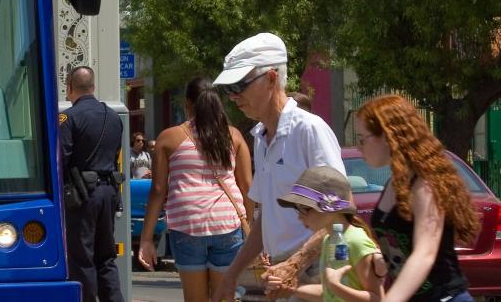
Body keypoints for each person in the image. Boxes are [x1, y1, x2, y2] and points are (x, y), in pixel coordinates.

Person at [210, 33, 346, 302]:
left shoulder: (309, 130)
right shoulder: (261, 137)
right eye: (229, 88)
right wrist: (232, 274)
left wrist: (294, 265)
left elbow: (340, 212)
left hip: (316, 272)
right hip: (283, 272)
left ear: (272, 78)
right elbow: (266, 219)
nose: (234, 96)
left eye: (241, 85)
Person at [353, 95, 479, 302]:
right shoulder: (393, 184)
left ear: (386, 136)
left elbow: (425, 253)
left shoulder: (425, 185)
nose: (359, 147)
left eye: (362, 139)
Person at [137, 77, 252, 302]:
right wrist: (252, 228)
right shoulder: (233, 136)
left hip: (187, 224)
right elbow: (247, 185)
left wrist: (146, 239)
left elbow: (158, 190)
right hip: (227, 223)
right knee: (224, 297)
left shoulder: (169, 137)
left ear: (187, 104)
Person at [266, 166, 385, 302]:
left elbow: (377, 298)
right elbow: (329, 293)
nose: (300, 217)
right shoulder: (330, 239)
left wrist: (336, 286)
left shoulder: (356, 241)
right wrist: (291, 289)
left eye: (304, 209)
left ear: (330, 207)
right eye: (297, 210)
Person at [59, 66, 124, 302]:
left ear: (69, 88)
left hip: (82, 195)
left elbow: (61, 159)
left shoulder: (68, 118)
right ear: (93, 87)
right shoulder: (113, 117)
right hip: (109, 192)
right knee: (106, 257)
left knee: (81, 257)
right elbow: (116, 155)